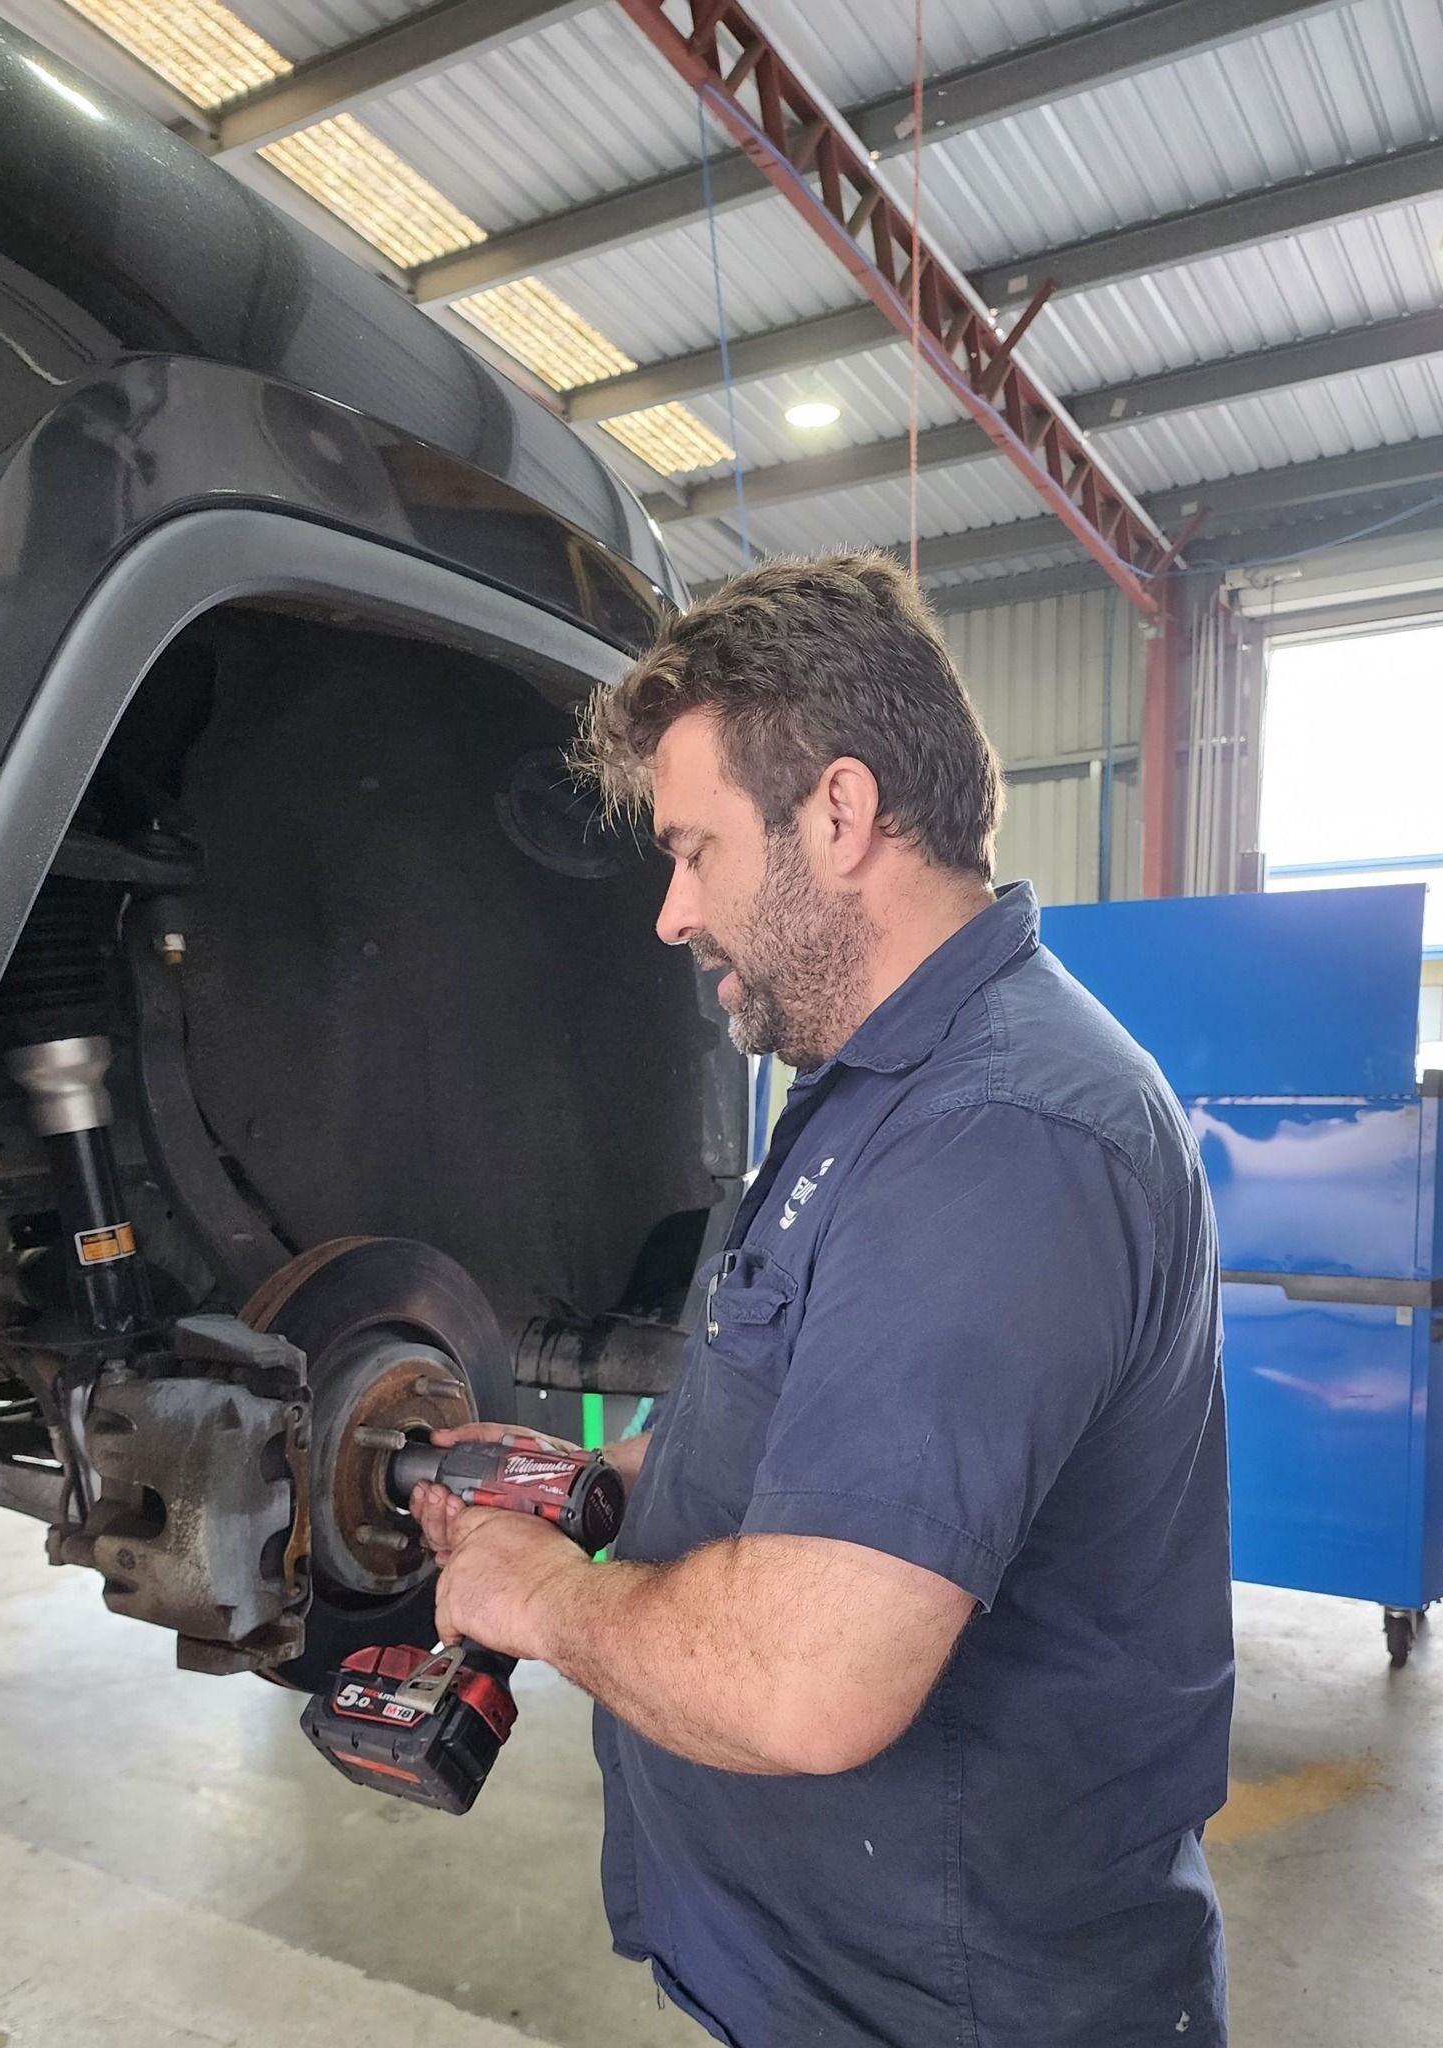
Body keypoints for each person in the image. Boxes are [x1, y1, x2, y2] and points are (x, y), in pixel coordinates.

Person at [411, 551, 1233, 2047]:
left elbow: (808, 1686)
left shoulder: (1000, 1138)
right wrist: (613, 1484)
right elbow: (822, 1416)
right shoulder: (875, 1091)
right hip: (837, 1976)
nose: (670, 913)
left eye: (694, 850)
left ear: (839, 816)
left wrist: (544, 1600)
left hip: (955, 2005)